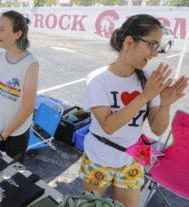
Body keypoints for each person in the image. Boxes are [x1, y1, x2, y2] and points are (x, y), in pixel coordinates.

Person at [80, 14, 188, 207]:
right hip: (98, 156)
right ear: (129, 41)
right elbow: (108, 126)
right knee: (91, 205)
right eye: (152, 45)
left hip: (131, 158)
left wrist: (165, 105)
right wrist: (145, 96)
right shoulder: (98, 79)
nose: (156, 53)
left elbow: (157, 130)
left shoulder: (148, 79)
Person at [0, 10, 38, 163]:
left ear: (17, 34)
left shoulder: (30, 63)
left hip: (15, 135)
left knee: (11, 178)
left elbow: (27, 108)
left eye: (2, 29)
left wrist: (4, 135)